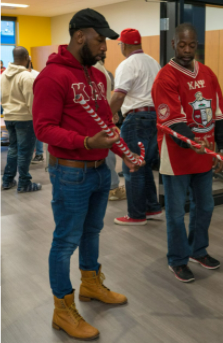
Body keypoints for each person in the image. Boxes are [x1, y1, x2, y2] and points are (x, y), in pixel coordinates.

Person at [32, 8, 143, 341]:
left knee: (92, 232)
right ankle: (61, 309)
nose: (105, 48)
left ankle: (91, 284)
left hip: (99, 171)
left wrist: (124, 153)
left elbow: (105, 126)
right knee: (65, 241)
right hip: (70, 173)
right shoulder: (52, 77)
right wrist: (84, 142)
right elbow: (43, 128)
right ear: (80, 35)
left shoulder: (97, 77)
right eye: (100, 40)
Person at [151, 23, 223, 283]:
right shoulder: (166, 77)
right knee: (174, 212)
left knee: (205, 205)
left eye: (191, 45)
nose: (186, 49)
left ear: (197, 45)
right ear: (173, 44)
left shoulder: (207, 73)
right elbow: (172, 120)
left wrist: (221, 146)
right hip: (176, 154)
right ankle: (177, 259)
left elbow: (218, 112)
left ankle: (198, 250)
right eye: (182, 44)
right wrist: (192, 141)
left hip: (203, 153)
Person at [110, 28, 162, 226]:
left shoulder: (127, 64)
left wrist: (105, 117)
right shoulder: (153, 62)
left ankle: (136, 214)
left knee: (132, 166)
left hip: (136, 120)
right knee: (145, 164)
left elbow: (119, 94)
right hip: (154, 118)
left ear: (123, 44)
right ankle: (152, 207)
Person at [1, 47, 42, 192]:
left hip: (9, 117)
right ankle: (24, 183)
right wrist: (38, 121)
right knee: (25, 152)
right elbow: (33, 102)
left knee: (13, 149)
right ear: (27, 58)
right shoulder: (27, 77)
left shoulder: (4, 75)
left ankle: (7, 180)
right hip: (25, 118)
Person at [94, 58, 126, 201]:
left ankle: (108, 186)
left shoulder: (99, 71)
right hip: (101, 120)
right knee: (107, 150)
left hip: (100, 118)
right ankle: (112, 188)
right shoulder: (100, 71)